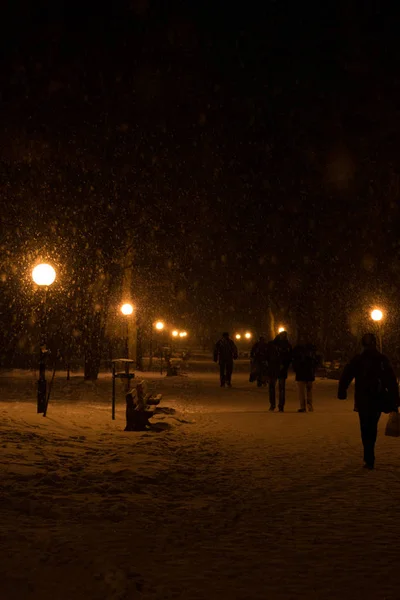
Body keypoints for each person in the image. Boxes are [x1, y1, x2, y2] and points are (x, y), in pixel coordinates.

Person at [338, 333, 399, 470]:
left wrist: (342, 390)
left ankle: (368, 455)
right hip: (376, 397)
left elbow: (347, 375)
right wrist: (395, 399)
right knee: (372, 426)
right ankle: (369, 454)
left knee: (365, 427)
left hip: (364, 398)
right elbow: (390, 380)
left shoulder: (359, 359)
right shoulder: (381, 359)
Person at [266, 330, 292, 412]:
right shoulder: (286, 345)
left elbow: (267, 356)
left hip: (275, 368)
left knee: (274, 388)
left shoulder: (272, 344)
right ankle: (279, 406)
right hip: (278, 368)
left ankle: (274, 405)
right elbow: (289, 358)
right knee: (280, 388)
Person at [292, 341, 319, 412]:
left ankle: (303, 406)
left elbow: (295, 362)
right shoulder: (311, 353)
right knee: (308, 390)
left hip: (301, 373)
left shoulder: (298, 352)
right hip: (309, 373)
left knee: (302, 391)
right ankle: (309, 405)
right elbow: (315, 362)